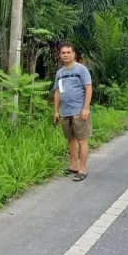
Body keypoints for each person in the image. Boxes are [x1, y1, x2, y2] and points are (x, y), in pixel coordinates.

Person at [52, 42, 92, 181]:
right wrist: (56, 111)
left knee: (82, 140)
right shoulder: (60, 73)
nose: (66, 55)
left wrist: (85, 108)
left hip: (79, 111)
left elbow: (88, 88)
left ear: (74, 54)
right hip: (65, 112)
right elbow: (57, 92)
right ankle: (74, 165)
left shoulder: (81, 69)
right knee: (71, 139)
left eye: (68, 52)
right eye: (63, 53)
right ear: (60, 55)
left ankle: (82, 169)